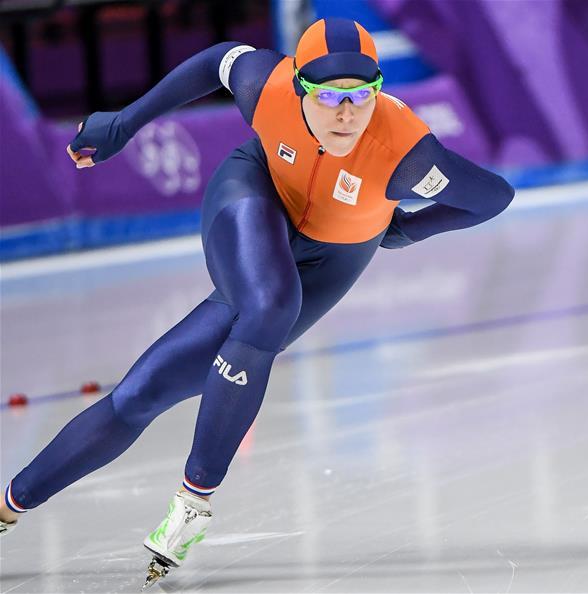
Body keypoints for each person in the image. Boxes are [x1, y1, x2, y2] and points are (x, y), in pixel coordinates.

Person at [0, 17, 514, 588]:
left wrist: (406, 230)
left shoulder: (406, 153)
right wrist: (124, 123)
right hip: (255, 193)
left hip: (337, 257)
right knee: (269, 306)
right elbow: (213, 59)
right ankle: (186, 501)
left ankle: (16, 506)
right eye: (329, 96)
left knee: (146, 390)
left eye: (361, 95)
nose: (347, 113)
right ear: (298, 87)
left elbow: (492, 196)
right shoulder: (264, 84)